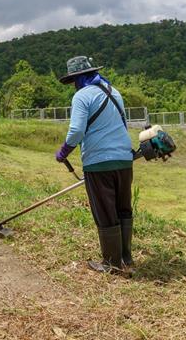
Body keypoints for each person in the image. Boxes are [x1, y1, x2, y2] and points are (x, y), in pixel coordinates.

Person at [55, 56, 134, 274]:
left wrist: (63, 152)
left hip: (99, 163)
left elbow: (77, 131)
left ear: (77, 78)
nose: (72, 86)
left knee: (105, 211)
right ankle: (126, 257)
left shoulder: (82, 96)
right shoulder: (113, 91)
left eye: (72, 81)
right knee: (123, 208)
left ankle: (111, 263)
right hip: (124, 160)